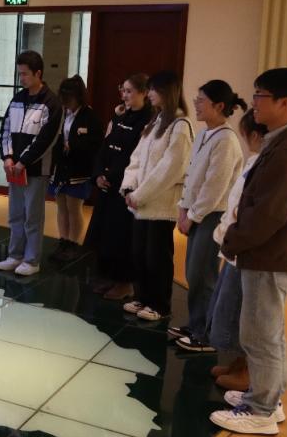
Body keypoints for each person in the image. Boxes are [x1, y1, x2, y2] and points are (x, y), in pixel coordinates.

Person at [211, 68, 287, 436]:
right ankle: (269, 396)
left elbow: (267, 215)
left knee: (260, 334)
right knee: (269, 331)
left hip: (267, 256)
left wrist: (231, 239)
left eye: (260, 95)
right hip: (269, 254)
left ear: (284, 102)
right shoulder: (284, 142)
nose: (253, 102)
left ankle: (261, 410)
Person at [169, 80, 247, 351]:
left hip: (211, 215)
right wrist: (183, 208)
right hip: (197, 213)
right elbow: (191, 176)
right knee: (194, 272)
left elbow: (215, 186)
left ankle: (205, 334)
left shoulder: (226, 140)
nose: (196, 104)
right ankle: (195, 324)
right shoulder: (205, 133)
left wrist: (193, 215)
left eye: (201, 100)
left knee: (203, 275)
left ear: (219, 106)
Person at [120, 70, 193, 321]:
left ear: (167, 92)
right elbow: (137, 158)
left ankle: (160, 305)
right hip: (140, 203)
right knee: (139, 254)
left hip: (161, 204)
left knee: (157, 257)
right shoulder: (156, 121)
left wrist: (140, 194)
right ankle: (142, 297)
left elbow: (170, 169)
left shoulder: (180, 125)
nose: (149, 93)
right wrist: (129, 187)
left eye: (153, 89)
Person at [204, 109, 267, 391]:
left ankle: (247, 371)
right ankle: (238, 363)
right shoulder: (255, 161)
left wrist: (228, 234)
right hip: (233, 246)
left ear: (254, 135)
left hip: (245, 249)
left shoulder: (266, 164)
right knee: (229, 306)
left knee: (242, 311)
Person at [85, 73, 153, 301]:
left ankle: (125, 283)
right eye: (123, 90)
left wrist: (112, 176)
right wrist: (98, 174)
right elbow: (106, 146)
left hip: (125, 186)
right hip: (107, 183)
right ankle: (108, 276)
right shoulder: (121, 116)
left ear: (144, 93)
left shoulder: (147, 121)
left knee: (122, 235)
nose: (124, 95)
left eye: (129, 91)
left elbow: (133, 156)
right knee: (105, 233)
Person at [0, 50, 62, 276]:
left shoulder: (51, 103)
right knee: (15, 214)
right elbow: (5, 129)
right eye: (19, 74)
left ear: (38, 73)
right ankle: (15, 255)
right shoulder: (17, 98)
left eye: (25, 74)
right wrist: (8, 157)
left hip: (36, 169)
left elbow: (46, 140)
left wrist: (22, 161)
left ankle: (32, 260)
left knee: (33, 216)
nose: (21, 78)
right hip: (15, 168)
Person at [47, 75, 103, 263]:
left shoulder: (90, 116)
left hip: (79, 169)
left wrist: (73, 146)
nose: (65, 102)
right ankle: (63, 240)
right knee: (61, 205)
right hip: (61, 167)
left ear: (78, 96)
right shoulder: (62, 113)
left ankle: (73, 243)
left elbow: (95, 144)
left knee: (74, 206)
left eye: (68, 98)